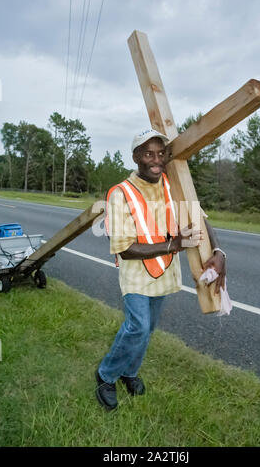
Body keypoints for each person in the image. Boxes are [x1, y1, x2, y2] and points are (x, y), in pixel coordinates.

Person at [95, 129, 226, 410]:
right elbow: (123, 247)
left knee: (148, 328)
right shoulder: (120, 194)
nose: (156, 160)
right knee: (137, 327)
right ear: (135, 158)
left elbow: (199, 217)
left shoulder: (172, 183)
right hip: (135, 275)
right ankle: (106, 375)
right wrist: (173, 244)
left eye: (160, 153)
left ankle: (129, 372)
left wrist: (218, 251)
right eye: (148, 154)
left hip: (164, 273)